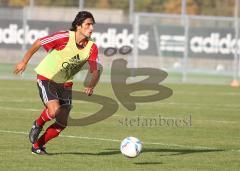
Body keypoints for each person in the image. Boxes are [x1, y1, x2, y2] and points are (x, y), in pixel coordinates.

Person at [14, 11, 100, 155]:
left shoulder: (92, 47)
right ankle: (38, 124)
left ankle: (37, 146)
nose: (91, 28)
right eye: (88, 24)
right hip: (46, 77)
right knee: (54, 111)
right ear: (78, 26)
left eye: (92, 25)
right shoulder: (65, 37)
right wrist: (24, 61)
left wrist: (91, 85)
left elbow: (95, 70)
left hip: (65, 83)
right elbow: (39, 42)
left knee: (62, 123)